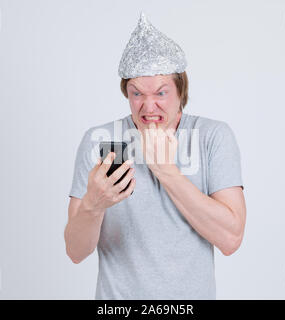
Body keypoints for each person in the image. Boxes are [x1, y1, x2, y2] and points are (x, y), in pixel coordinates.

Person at [64, 12, 246, 300]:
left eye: (161, 93)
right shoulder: (101, 141)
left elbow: (231, 238)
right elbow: (75, 251)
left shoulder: (213, 137)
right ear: (126, 93)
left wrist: (166, 171)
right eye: (137, 94)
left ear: (180, 90)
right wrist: (93, 205)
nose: (148, 107)